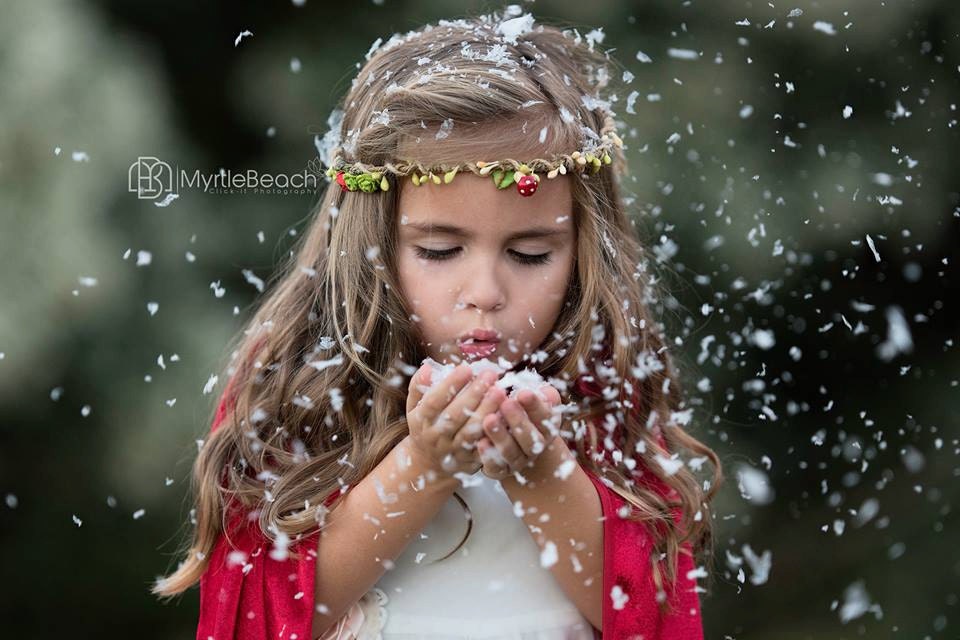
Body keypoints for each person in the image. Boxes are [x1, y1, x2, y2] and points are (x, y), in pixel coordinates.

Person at [153, 6, 723, 639]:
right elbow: (266, 616)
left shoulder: (603, 389)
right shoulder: (301, 388)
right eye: (439, 250)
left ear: (584, 250)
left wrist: (541, 474)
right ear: (370, 245)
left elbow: (645, 614)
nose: (484, 294)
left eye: (530, 254)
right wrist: (425, 465)